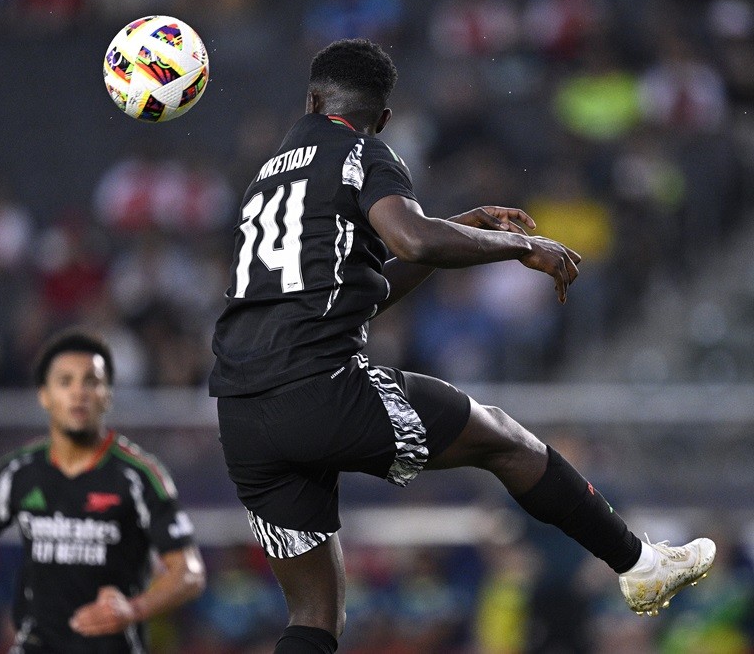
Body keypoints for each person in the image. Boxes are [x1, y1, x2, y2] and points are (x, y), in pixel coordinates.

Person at [208, 38, 715, 654]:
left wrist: (460, 228)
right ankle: (638, 565)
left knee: (313, 616)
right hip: (319, 387)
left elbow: (360, 290)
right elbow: (415, 239)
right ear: (385, 117)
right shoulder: (364, 150)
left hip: (241, 413)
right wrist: (521, 247)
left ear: (311, 100)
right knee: (503, 437)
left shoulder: (267, 177)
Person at [0, 329, 206, 653]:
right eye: (65, 382)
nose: (79, 393)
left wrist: (134, 609)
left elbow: (189, 572)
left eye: (91, 381)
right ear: (44, 395)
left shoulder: (139, 476)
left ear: (107, 395)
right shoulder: (16, 472)